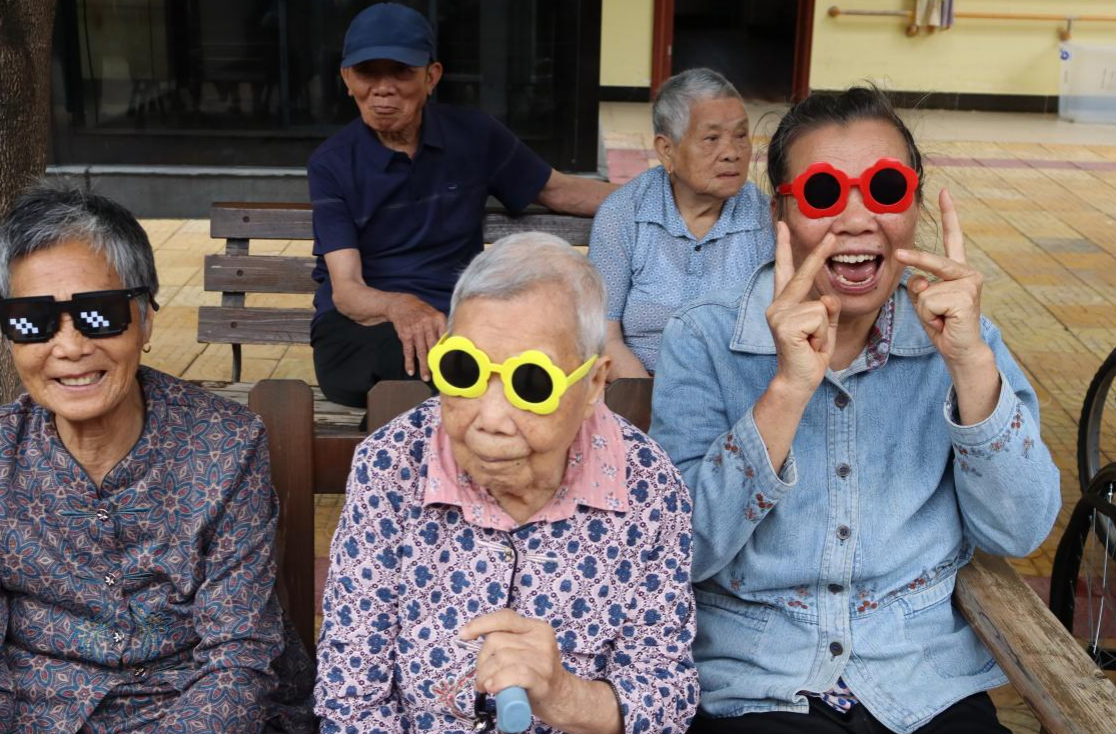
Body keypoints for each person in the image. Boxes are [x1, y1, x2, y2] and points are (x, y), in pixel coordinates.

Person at [649, 87, 1060, 733]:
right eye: (822, 194)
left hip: (921, 681)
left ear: (916, 204)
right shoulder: (703, 337)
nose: (857, 218)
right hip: (758, 683)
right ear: (779, 214)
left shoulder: (963, 341)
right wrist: (786, 390)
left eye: (886, 189)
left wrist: (971, 365)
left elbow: (1021, 531)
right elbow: (681, 550)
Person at [0, 184, 312, 734]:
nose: (70, 347)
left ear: (145, 320)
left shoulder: (225, 445)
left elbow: (237, 658)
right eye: (32, 320)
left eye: (98, 313)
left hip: (190, 709)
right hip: (37, 715)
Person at [315, 233, 699, 733]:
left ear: (593, 384)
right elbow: (350, 697)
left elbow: (665, 695)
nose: (491, 419)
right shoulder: (392, 464)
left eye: (530, 383)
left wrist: (565, 696)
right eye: (463, 370)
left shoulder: (647, 484)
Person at [308, 2, 617, 408]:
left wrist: (658, 195)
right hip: (360, 328)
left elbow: (558, 191)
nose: (383, 88)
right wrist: (401, 307)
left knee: (500, 366)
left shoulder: (473, 136)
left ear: (431, 76)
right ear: (347, 79)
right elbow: (348, 292)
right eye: (367, 73)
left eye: (401, 71)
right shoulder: (331, 163)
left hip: (459, 322)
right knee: (439, 371)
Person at [588, 68, 773, 381]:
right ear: (667, 150)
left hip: (735, 391)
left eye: (741, 135)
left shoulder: (763, 218)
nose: (732, 153)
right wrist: (651, 402)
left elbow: (772, 334)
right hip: (639, 387)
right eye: (711, 138)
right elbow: (604, 335)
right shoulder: (624, 215)